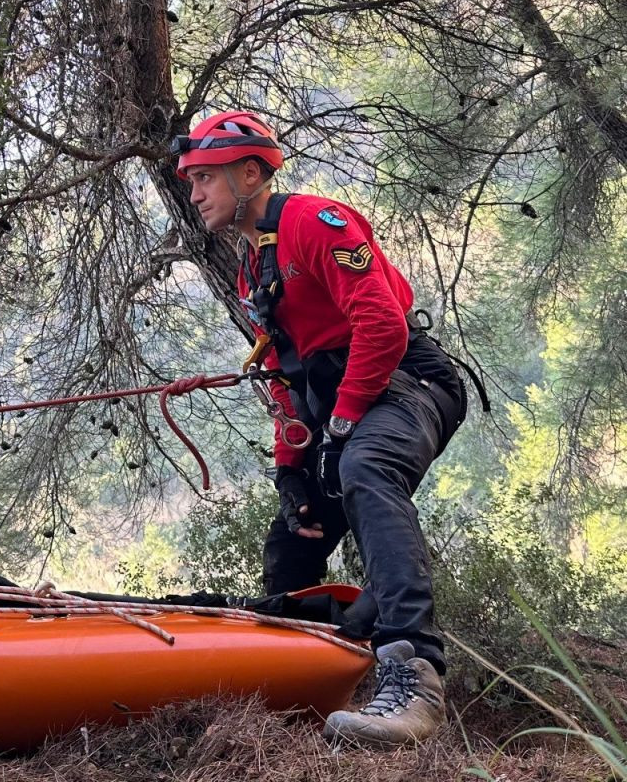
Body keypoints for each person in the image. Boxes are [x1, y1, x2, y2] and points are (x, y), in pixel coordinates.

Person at [173, 110, 469, 746]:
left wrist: (341, 427)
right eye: (190, 181)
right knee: (293, 541)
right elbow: (284, 376)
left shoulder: (314, 222)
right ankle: (303, 677)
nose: (194, 194)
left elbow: (384, 327)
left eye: (203, 178)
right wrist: (291, 471)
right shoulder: (257, 267)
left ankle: (414, 675)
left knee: (365, 469)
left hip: (407, 384)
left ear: (250, 172)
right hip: (342, 407)